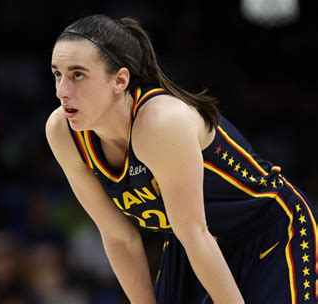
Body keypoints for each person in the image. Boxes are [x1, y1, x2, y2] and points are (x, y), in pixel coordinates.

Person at [45, 14, 317, 304]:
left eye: (78, 75)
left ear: (120, 80)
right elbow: (119, 237)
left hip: (269, 232)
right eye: (57, 74)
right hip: (191, 245)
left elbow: (197, 234)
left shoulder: (160, 122)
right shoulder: (62, 131)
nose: (62, 91)